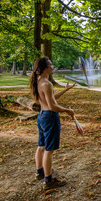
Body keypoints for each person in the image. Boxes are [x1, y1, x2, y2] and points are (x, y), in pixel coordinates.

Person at [30, 56, 76, 190]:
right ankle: (48, 181)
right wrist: (68, 110)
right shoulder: (47, 84)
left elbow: (49, 100)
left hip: (42, 116)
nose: (53, 67)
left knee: (41, 146)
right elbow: (52, 106)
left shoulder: (39, 81)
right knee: (49, 150)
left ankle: (40, 172)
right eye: (50, 65)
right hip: (50, 117)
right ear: (44, 68)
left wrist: (65, 90)